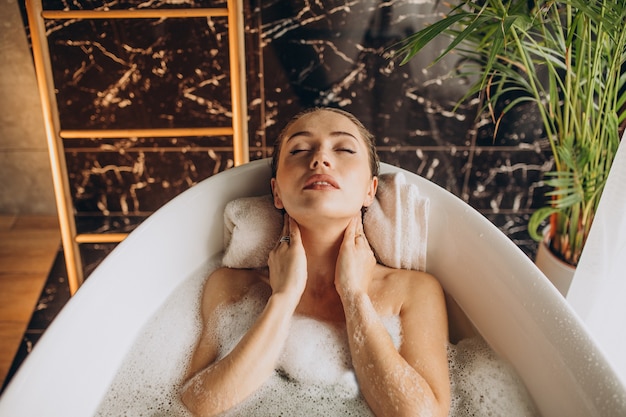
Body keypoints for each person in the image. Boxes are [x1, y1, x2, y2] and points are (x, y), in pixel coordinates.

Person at [180, 107, 451, 417]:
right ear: (277, 192)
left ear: (369, 190)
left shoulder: (412, 290)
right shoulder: (231, 285)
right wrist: (283, 298)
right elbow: (197, 405)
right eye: (299, 149)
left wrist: (354, 296)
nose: (320, 158)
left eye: (345, 149)